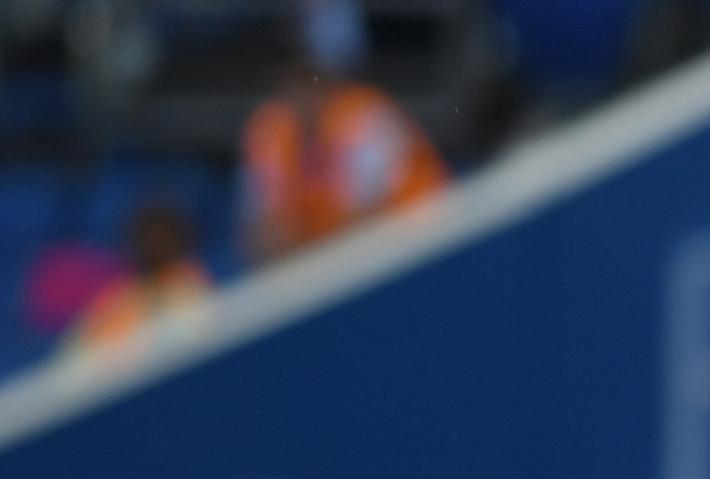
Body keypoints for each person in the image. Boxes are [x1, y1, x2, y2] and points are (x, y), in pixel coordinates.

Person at [240, 8, 447, 266]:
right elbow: (260, 235)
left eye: (307, 79)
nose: (299, 93)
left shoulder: (366, 117)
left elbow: (367, 223)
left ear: (326, 80)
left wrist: (303, 240)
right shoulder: (271, 127)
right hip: (332, 266)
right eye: (290, 80)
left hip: (424, 252)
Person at [60, 203, 213, 366]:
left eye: (162, 236)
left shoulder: (191, 290)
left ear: (177, 239)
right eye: (146, 235)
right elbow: (74, 351)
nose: (152, 243)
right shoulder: (121, 294)